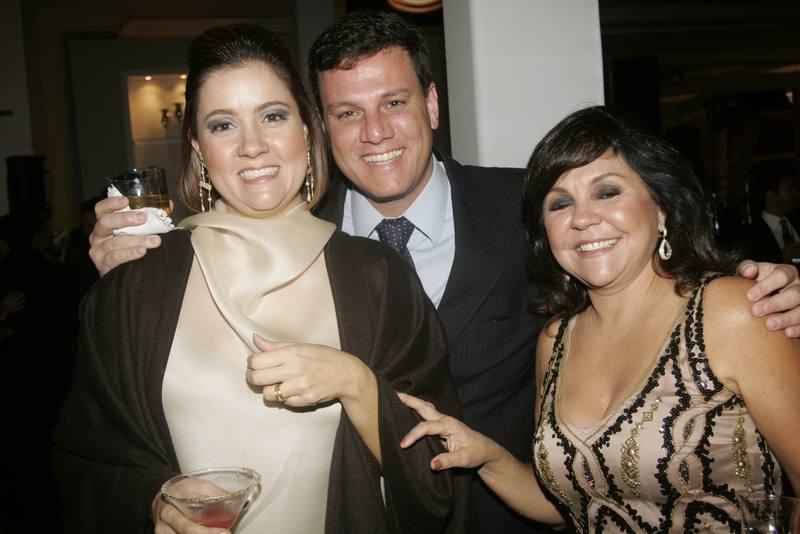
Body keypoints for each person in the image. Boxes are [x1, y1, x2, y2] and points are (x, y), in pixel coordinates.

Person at [85, 10, 800, 534]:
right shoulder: (303, 236)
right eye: (347, 113)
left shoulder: (533, 208)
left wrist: (776, 283)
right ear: (321, 129)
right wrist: (127, 262)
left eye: (395, 103)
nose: (375, 132)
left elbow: (639, 252)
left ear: (431, 104)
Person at [53, 24, 471, 534]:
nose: (252, 146)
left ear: (307, 130)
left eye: (273, 116)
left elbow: (443, 466)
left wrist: (357, 384)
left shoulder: (379, 279)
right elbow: (87, 458)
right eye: (223, 125)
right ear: (198, 147)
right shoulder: (137, 284)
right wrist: (154, 501)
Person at [399, 106, 800, 532]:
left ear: (661, 208)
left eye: (607, 192)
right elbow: (562, 503)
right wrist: (485, 455)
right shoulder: (556, 339)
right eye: (560, 203)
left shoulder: (730, 311)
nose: (582, 218)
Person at [742, 162, 800, 264]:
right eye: (790, 188)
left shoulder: (797, 221)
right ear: (771, 194)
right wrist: (781, 258)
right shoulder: (750, 235)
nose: (797, 194)